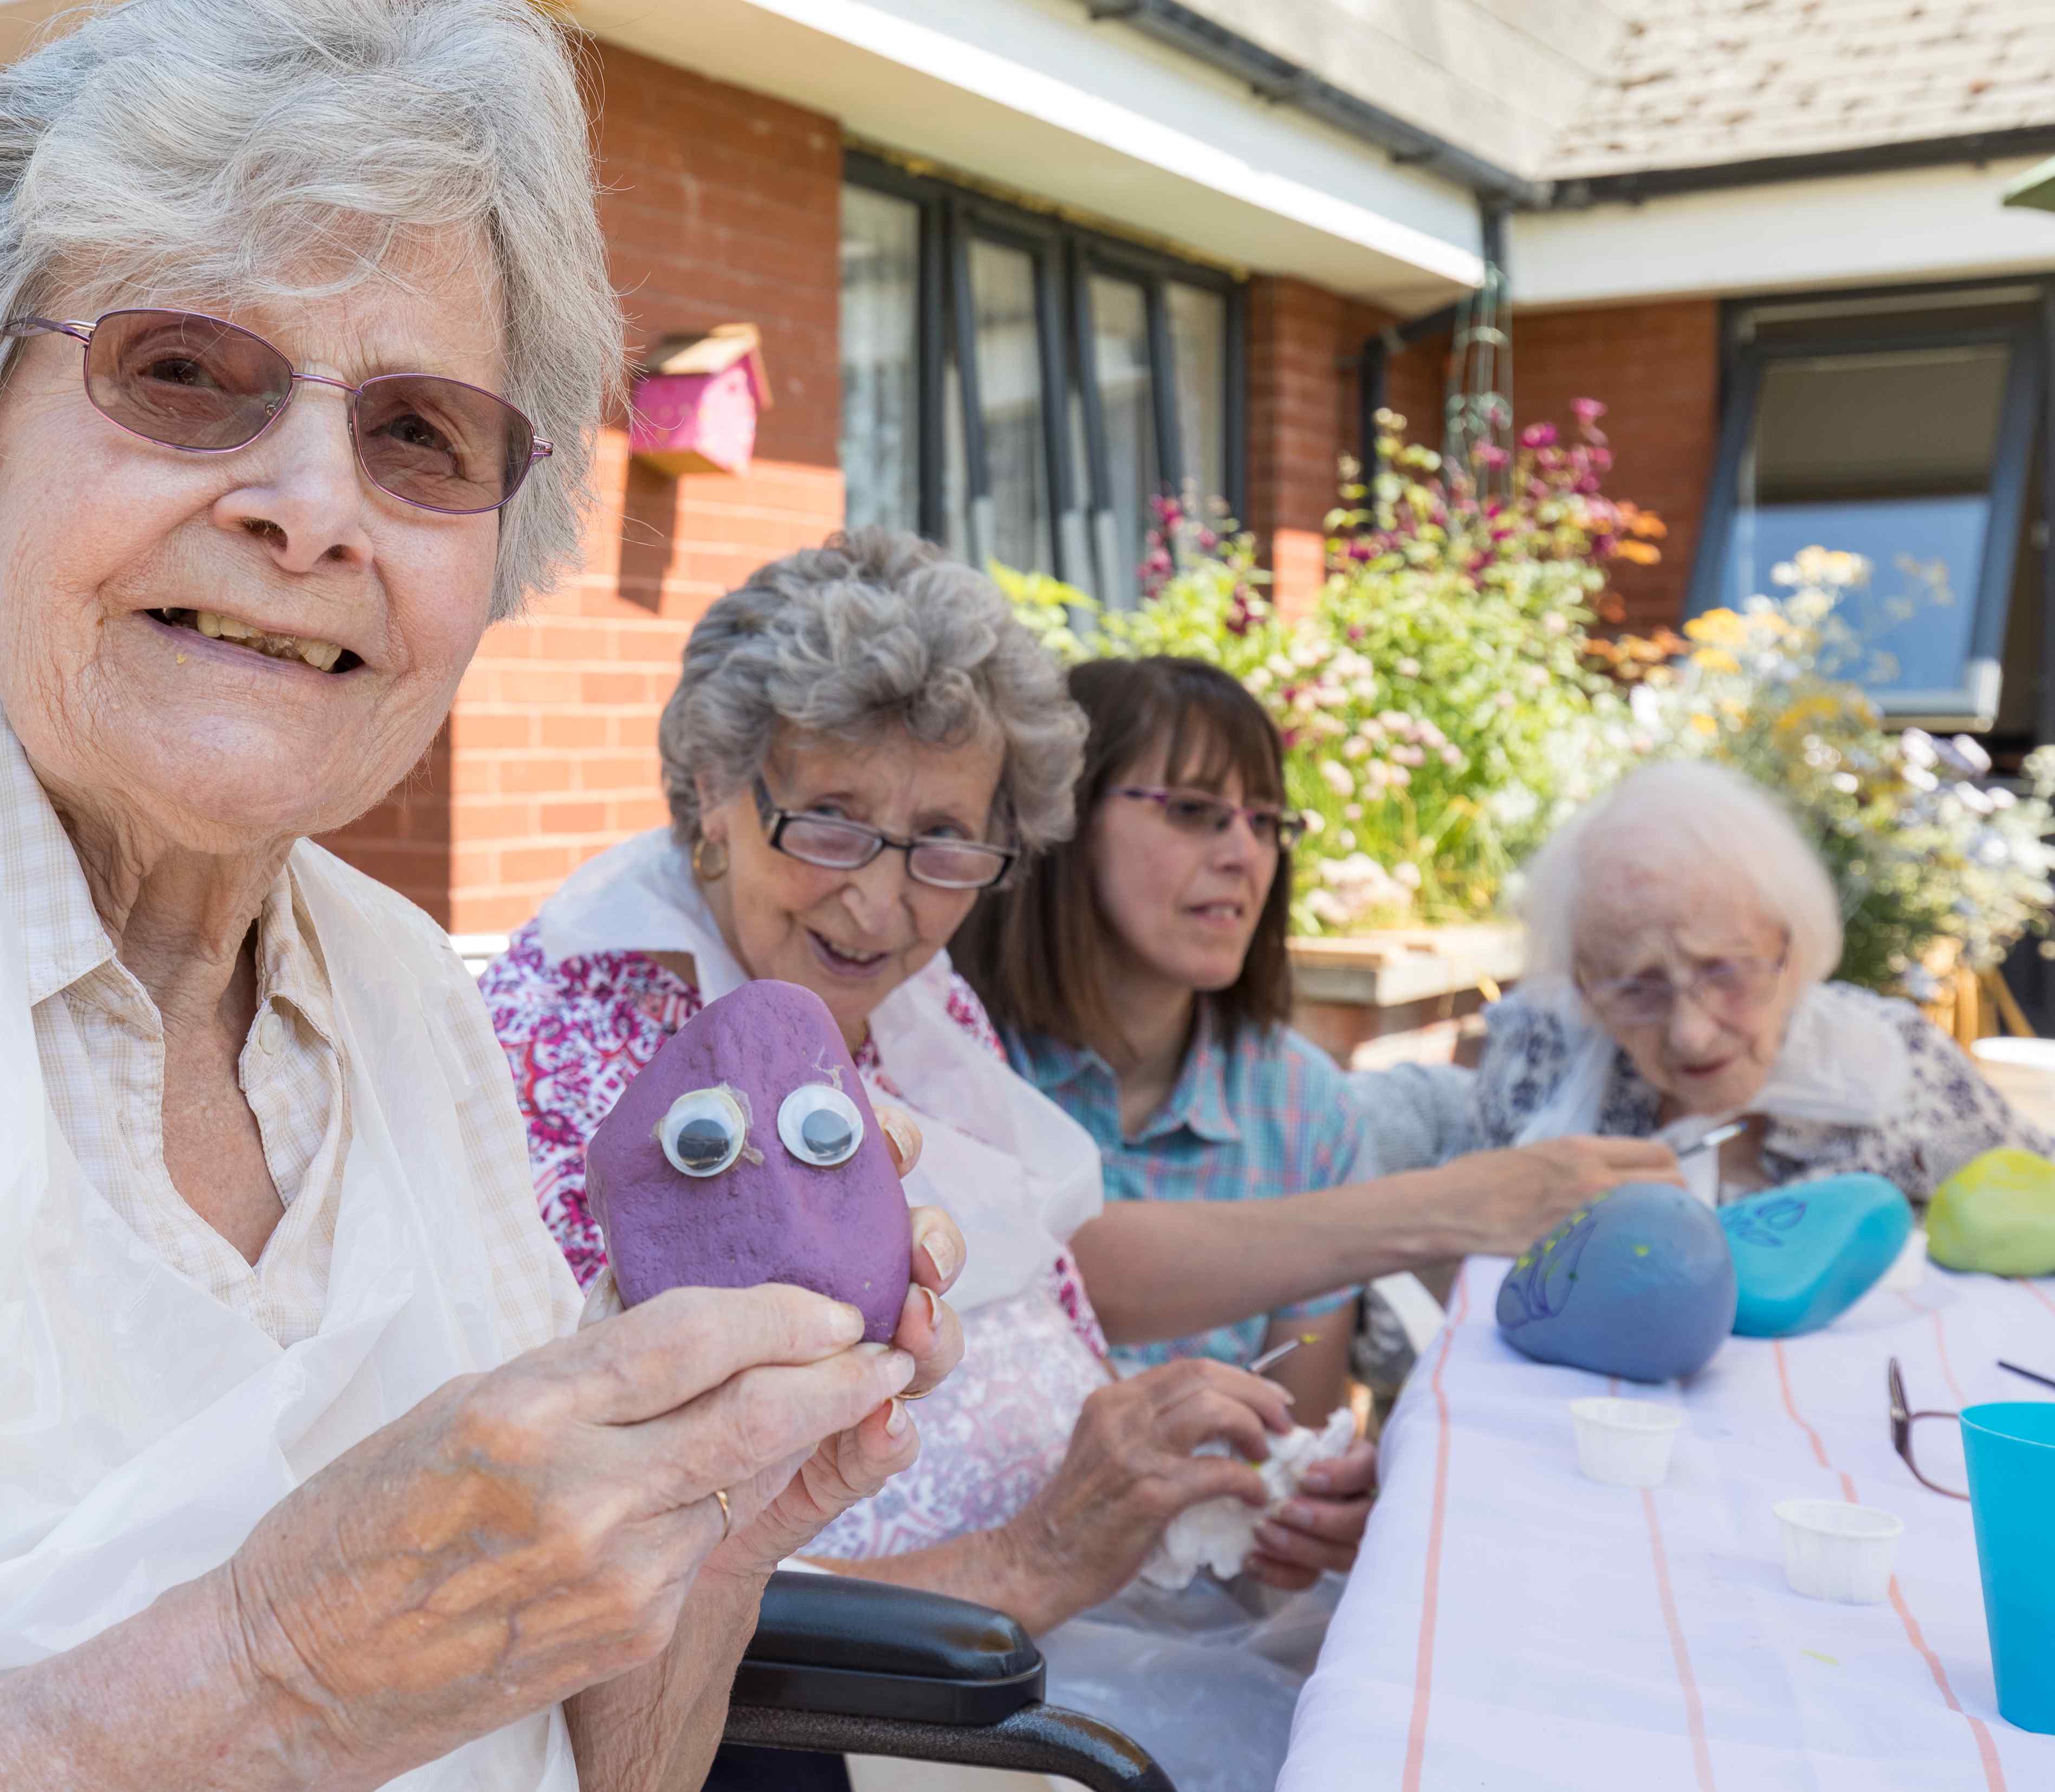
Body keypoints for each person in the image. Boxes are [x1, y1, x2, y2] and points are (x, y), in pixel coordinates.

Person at [0, 5, 967, 1787]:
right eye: (187, 373)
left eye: (420, 436)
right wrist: (273, 1669)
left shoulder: (406, 1001)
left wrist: (713, 1483)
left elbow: (597, 1770)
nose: (308, 510)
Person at [483, 532, 1378, 1789]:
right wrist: (1038, 1555)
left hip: (1083, 1629)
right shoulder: (589, 1049)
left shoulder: (913, 999)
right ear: (707, 794)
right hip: (881, 1721)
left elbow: (1041, 1302)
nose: (883, 906)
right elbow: (601, 1564)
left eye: (947, 843)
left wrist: (1194, 1487)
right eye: (830, 823)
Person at [954, 655, 1684, 1407]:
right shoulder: (943, 1059)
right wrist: (1454, 1203)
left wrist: (1308, 1500)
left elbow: (1300, 1428)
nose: (1243, 853)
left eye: (1266, 821)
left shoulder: (1303, 1105)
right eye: (1192, 809)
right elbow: (1039, 1267)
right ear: (1059, 815)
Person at [1447, 758, 2055, 1199]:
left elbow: (2038, 1200)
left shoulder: (1897, 1065)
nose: (1690, 1034)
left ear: (1791, 949)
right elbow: (1445, 1292)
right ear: (1582, 984)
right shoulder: (1538, 1054)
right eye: (1636, 988)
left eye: (1725, 972)